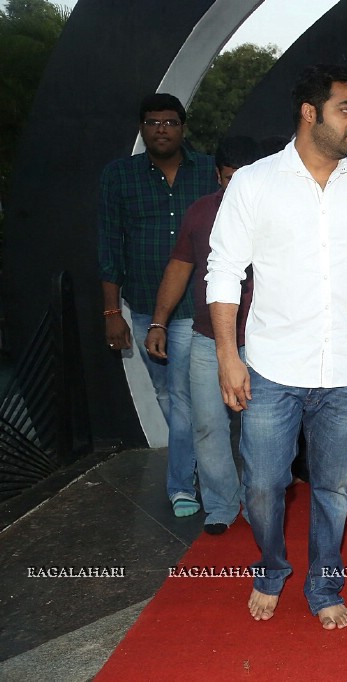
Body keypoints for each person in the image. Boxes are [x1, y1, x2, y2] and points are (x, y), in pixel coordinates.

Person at [206, 64, 347, 628]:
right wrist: (228, 355)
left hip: (345, 372)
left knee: (334, 488)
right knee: (265, 488)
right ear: (309, 112)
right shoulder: (254, 183)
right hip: (271, 368)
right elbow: (223, 269)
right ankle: (271, 568)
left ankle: (325, 584)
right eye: (346, 110)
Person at [98, 93, 219, 517]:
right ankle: (200, 465)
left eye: (170, 121)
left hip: (197, 305)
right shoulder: (120, 176)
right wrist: (113, 312)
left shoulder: (207, 170)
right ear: (142, 128)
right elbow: (109, 246)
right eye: (153, 122)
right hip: (147, 304)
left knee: (183, 396)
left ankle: (181, 485)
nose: (161, 129)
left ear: (183, 127)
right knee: (169, 395)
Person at [144, 136, 261, 535]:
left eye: (246, 179)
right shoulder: (200, 212)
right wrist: (159, 321)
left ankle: (258, 503)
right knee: (207, 425)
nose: (238, 188)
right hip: (207, 338)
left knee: (261, 429)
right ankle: (221, 506)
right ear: (218, 175)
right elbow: (179, 269)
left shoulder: (277, 212)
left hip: (265, 342)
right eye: (230, 179)